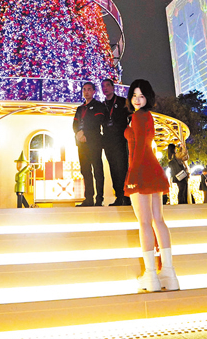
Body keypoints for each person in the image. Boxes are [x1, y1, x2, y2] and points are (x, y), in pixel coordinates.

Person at [124, 79, 177, 292]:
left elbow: (138, 148)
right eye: (134, 96)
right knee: (158, 220)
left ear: (148, 97)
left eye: (141, 96)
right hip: (153, 167)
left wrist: (133, 173)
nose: (137, 99)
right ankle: (169, 273)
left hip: (141, 167)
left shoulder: (138, 117)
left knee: (145, 222)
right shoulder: (147, 116)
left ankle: (151, 274)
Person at [72, 82, 107, 207]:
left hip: (94, 142)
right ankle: (88, 198)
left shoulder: (98, 106)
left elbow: (97, 122)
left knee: (97, 170)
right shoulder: (80, 108)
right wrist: (78, 134)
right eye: (84, 89)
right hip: (81, 144)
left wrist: (86, 134)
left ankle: (99, 198)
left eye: (89, 89)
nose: (86, 92)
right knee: (85, 170)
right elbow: (75, 124)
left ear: (94, 91)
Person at [101, 78, 131, 206]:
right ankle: (118, 196)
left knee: (123, 168)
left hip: (121, 140)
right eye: (103, 86)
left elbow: (131, 117)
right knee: (113, 168)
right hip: (108, 142)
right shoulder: (102, 105)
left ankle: (127, 197)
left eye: (108, 85)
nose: (105, 88)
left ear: (113, 87)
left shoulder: (122, 102)